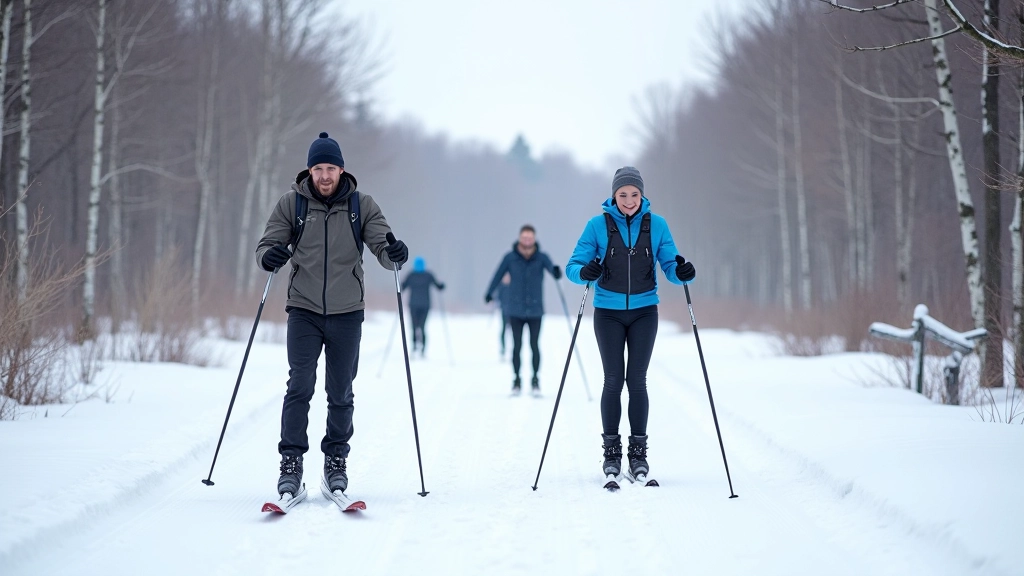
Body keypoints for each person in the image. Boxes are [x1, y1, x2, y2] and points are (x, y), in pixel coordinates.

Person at [256, 132, 409, 500]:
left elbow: (383, 247)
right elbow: (268, 244)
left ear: (342, 170)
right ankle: (291, 465)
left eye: (331, 168)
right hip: (304, 309)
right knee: (300, 385)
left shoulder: (362, 205)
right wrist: (270, 256)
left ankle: (335, 461)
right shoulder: (292, 204)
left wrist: (396, 253)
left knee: (340, 391)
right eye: (318, 168)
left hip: (346, 313)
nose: (324, 175)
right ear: (309, 170)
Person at [565, 166, 695, 483]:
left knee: (637, 380)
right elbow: (573, 266)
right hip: (607, 313)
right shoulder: (597, 226)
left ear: (642, 195)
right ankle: (611, 453)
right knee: (613, 380)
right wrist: (585, 273)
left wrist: (683, 273)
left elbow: (670, 264)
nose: (629, 200)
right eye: (622, 195)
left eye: (634, 194)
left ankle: (639, 455)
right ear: (613, 196)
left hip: (644, 311)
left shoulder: (657, 225)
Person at [484, 225, 561, 395]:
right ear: (519, 238)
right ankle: (516, 380)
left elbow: (551, 268)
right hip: (515, 309)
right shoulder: (510, 258)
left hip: (535, 310)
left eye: (530, 237)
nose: (527, 240)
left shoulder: (541, 257)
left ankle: (535, 380)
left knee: (534, 345)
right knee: (516, 346)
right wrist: (490, 292)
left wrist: (556, 272)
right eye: (524, 237)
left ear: (534, 239)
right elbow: (497, 275)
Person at [401, 257, 445, 357]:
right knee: (422, 327)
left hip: (414, 305)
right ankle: (422, 348)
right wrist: (442, 286)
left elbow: (403, 286)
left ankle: (415, 346)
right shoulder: (428, 275)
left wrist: (400, 285)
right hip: (425, 305)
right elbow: (438, 286)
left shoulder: (411, 275)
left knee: (414, 326)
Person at [487, 272, 512, 358]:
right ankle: (503, 347)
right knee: (504, 329)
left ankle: (514, 349)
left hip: (513, 312)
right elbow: (497, 297)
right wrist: (493, 301)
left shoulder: (513, 286)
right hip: (504, 311)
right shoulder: (501, 287)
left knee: (514, 331)